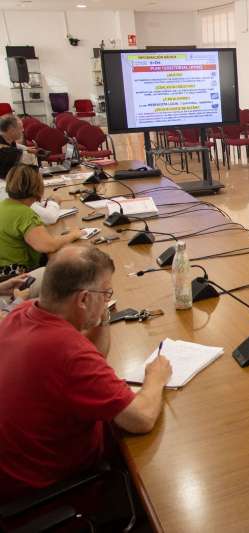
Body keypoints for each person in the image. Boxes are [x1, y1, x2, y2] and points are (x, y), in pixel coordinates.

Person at [0, 245, 173, 501]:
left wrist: (101, 312)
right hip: (50, 491)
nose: (107, 299)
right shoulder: (68, 353)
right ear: (82, 299)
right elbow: (141, 419)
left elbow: (93, 355)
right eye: (105, 293)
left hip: (15, 471)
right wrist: (156, 378)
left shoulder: (21, 313)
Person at [0, 164, 81, 278]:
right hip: (14, 276)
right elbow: (48, 246)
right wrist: (74, 235)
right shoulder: (24, 214)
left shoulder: (4, 205)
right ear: (37, 186)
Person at [0, 114, 38, 180]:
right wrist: (28, 153)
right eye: (21, 128)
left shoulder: (8, 141)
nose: (23, 130)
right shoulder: (4, 151)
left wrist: (26, 149)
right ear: (11, 129)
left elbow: (15, 147)